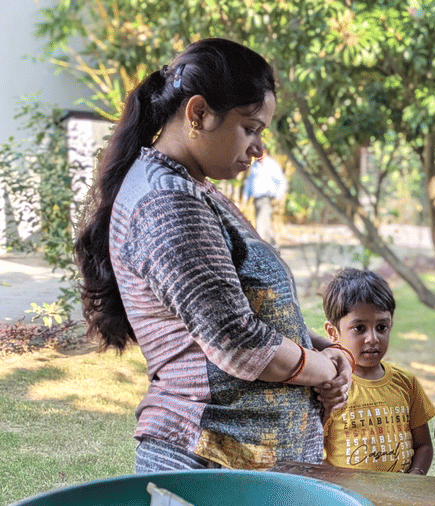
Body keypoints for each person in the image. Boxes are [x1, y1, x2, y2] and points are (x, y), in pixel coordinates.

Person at [73, 38, 352, 472]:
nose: (259, 148)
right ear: (198, 113)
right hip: (205, 466)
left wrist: (332, 357)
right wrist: (324, 367)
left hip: (239, 469)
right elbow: (237, 342)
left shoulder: (193, 188)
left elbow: (251, 313)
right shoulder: (167, 201)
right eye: (250, 128)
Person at [320, 268, 435, 474]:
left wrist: (414, 478)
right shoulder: (331, 388)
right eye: (359, 328)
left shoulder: (406, 382)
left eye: (381, 327)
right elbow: (312, 453)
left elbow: (423, 446)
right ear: (333, 332)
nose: (372, 338)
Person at [242, 148, 287, 248]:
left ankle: (260, 249)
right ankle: (274, 247)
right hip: (256, 199)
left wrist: (278, 196)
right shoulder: (254, 165)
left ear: (265, 152)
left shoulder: (271, 164)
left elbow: (281, 180)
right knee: (264, 225)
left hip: (266, 199)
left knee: (261, 225)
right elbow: (249, 181)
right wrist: (246, 196)